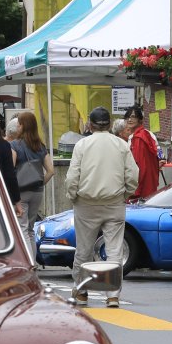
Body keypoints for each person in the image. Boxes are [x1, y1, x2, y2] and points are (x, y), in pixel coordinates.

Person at [64, 107, 140, 306]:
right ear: (110, 124)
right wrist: (125, 194)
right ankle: (112, 294)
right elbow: (132, 174)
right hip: (114, 202)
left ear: (90, 124)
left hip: (86, 203)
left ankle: (81, 291)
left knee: (84, 249)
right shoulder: (121, 144)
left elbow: (73, 176)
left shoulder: (82, 145)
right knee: (114, 250)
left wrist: (72, 195)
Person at [10, 110, 52, 259]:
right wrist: (40, 183)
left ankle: (29, 263)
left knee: (22, 228)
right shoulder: (40, 146)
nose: (17, 127)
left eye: (19, 124)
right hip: (37, 192)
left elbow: (11, 170)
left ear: (22, 126)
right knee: (30, 229)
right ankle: (33, 260)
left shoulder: (14, 145)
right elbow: (51, 171)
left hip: (21, 192)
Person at [125, 108, 161, 201]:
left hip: (141, 181)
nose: (129, 119)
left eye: (133, 117)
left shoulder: (138, 137)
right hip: (150, 179)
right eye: (127, 117)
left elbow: (137, 164)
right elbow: (160, 155)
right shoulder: (147, 134)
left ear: (140, 119)